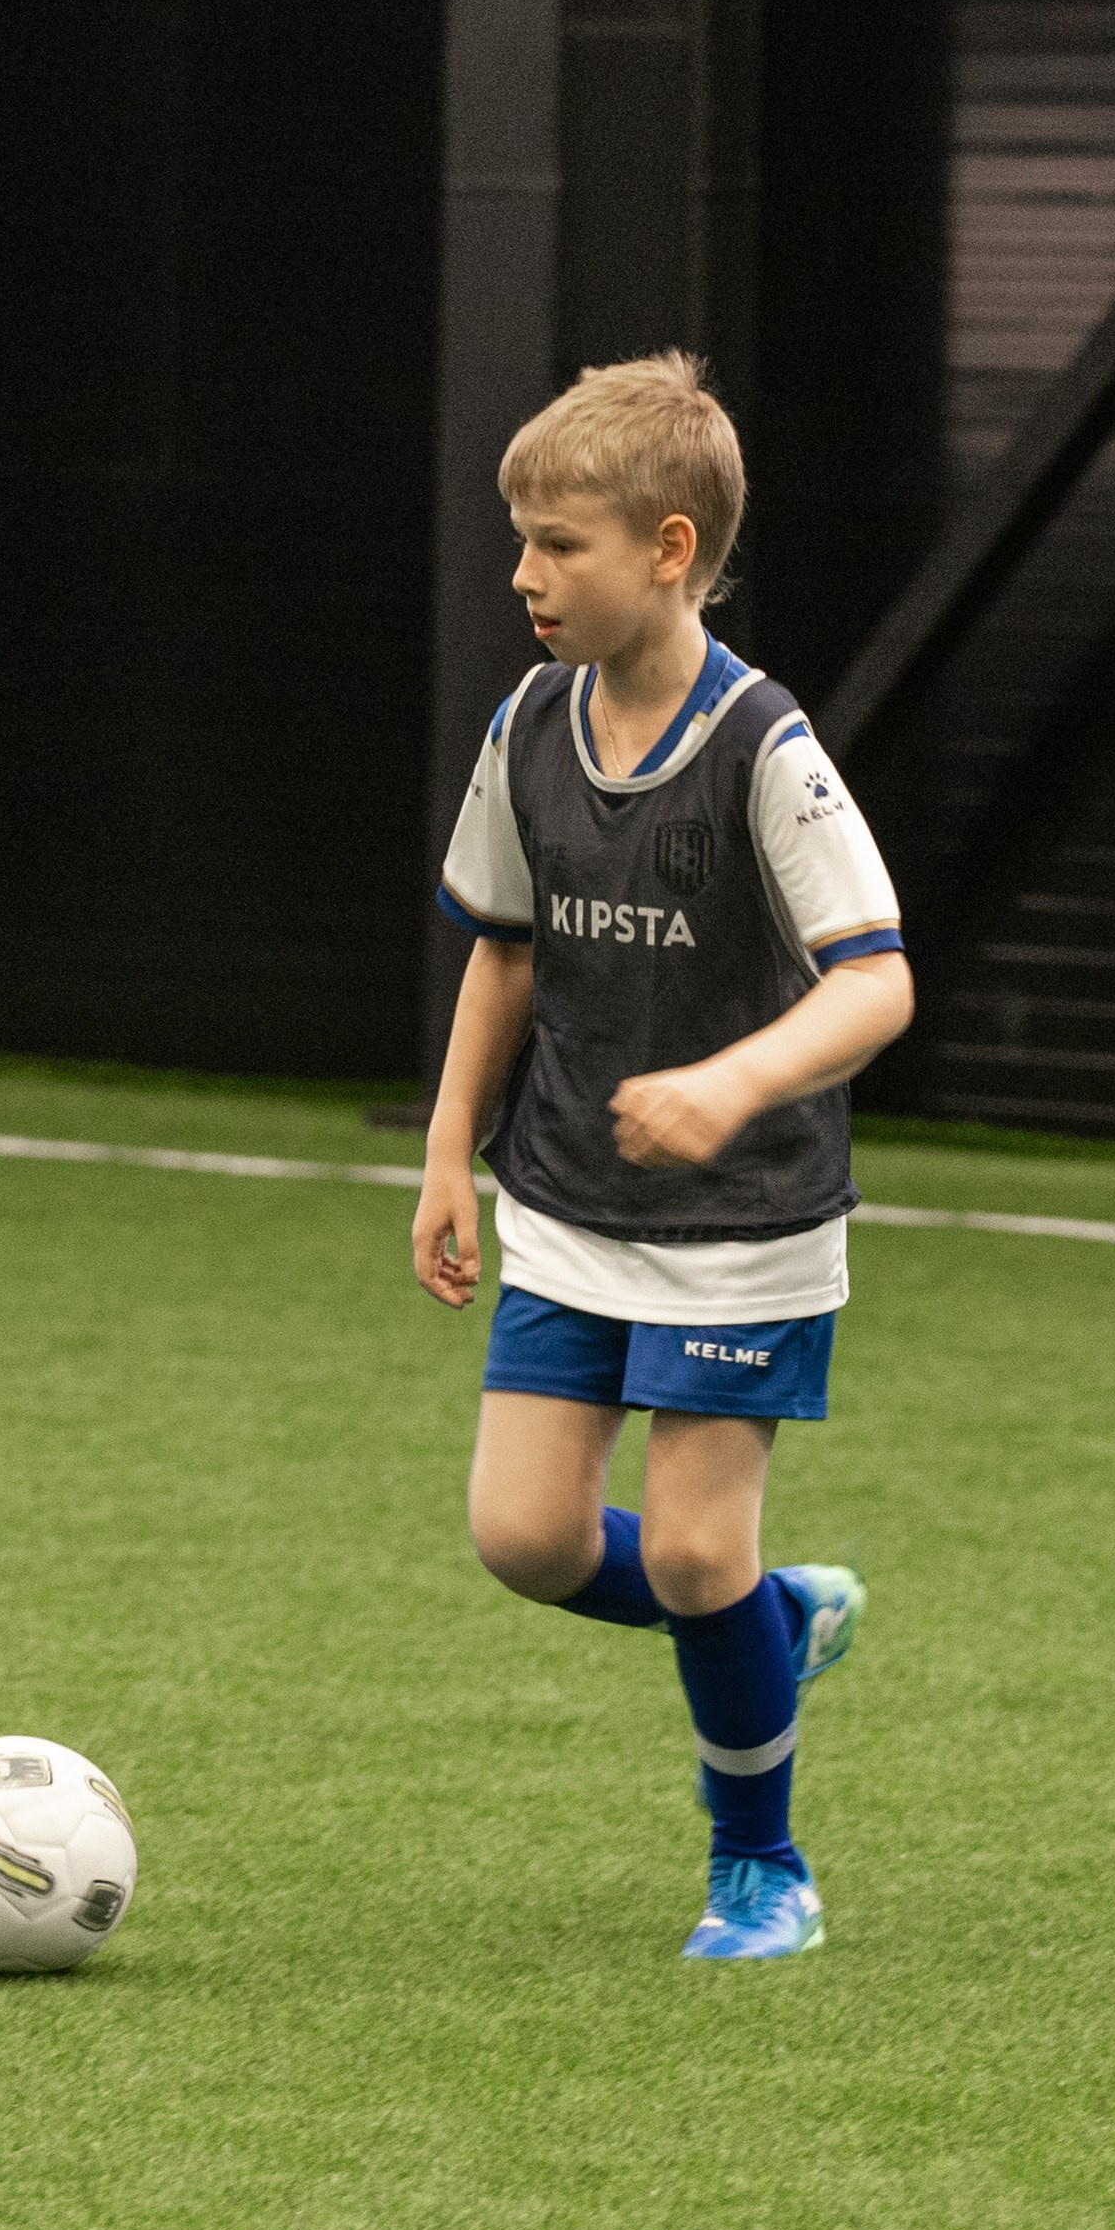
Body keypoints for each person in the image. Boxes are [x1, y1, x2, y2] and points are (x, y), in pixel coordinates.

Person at [412, 352, 913, 1960]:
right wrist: (444, 1159)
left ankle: (760, 1869)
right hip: (566, 1194)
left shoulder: (763, 746)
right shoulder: (528, 722)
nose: (523, 575)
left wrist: (729, 1082)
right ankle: (774, 1619)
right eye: (519, 538)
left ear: (670, 549)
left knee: (694, 1548)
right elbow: (501, 950)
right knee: (526, 1541)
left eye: (559, 544)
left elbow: (878, 977)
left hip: (743, 1217)